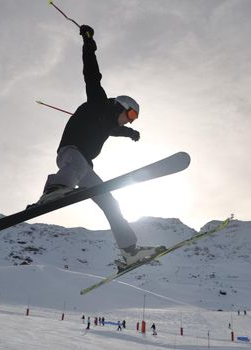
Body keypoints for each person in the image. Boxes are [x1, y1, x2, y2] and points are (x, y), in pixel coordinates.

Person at [36, 24, 164, 266]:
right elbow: (92, 74)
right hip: (71, 153)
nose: (129, 119)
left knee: (109, 202)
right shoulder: (98, 102)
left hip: (84, 167)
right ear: (120, 105)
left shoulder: (109, 124)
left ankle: (129, 250)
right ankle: (53, 189)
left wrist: (130, 133)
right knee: (75, 166)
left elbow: (115, 130)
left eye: (133, 119)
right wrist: (88, 43)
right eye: (130, 115)